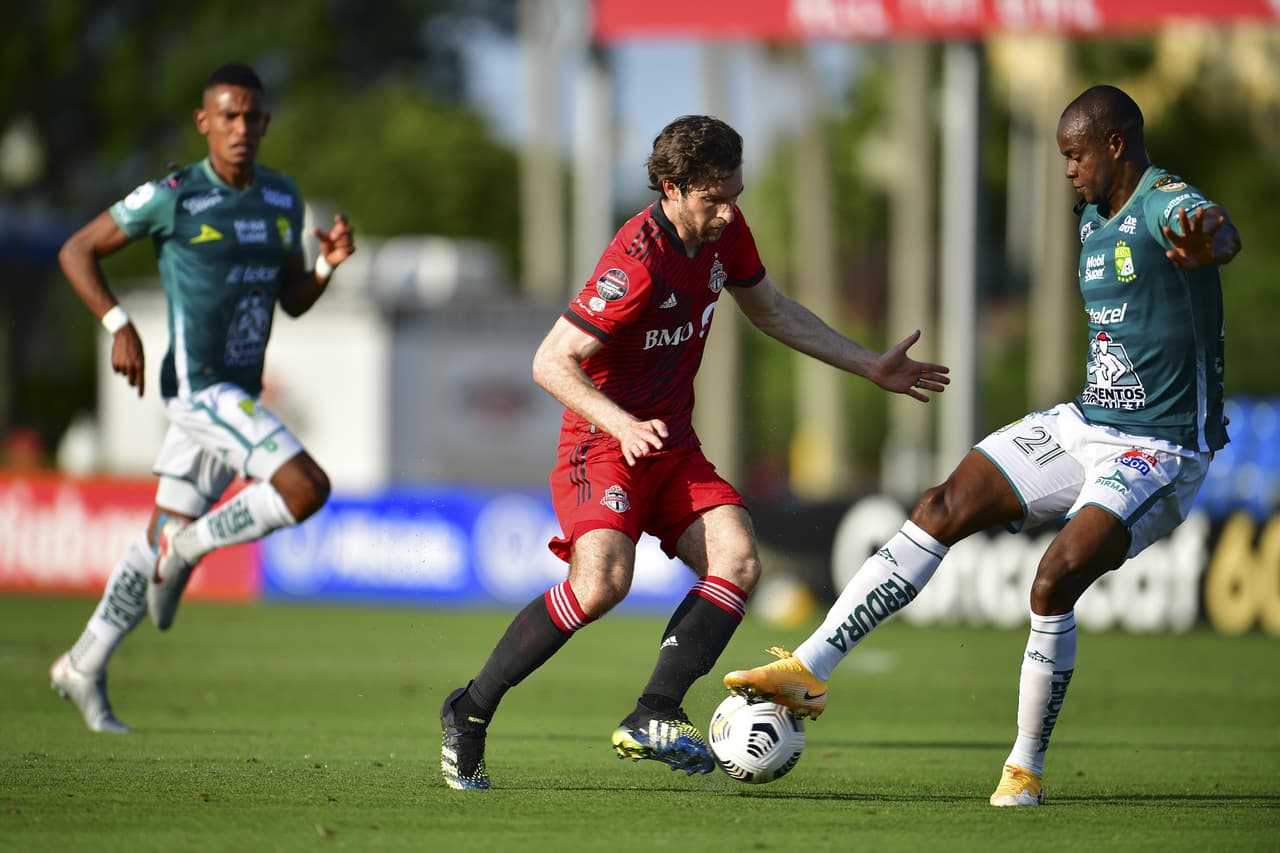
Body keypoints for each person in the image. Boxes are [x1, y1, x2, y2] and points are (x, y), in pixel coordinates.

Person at [724, 85, 1241, 807]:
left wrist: (1209, 242)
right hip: (1085, 423)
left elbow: (1213, 227)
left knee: (1054, 575)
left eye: (1074, 154)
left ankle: (1023, 766)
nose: (1067, 170)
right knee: (941, 503)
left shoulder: (1162, 201)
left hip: (1160, 448)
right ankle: (809, 668)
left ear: (1115, 145)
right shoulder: (1091, 214)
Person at [439, 114, 949, 790]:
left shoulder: (725, 233)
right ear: (671, 187)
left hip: (671, 443)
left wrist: (867, 365)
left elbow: (772, 311)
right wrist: (620, 422)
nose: (729, 209)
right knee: (601, 583)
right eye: (715, 196)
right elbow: (550, 362)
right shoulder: (637, 263)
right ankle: (469, 711)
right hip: (603, 442)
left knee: (737, 558)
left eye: (735, 191)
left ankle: (654, 710)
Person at [50, 63, 355, 733]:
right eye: (228, 116)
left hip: (235, 393)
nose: (241, 127)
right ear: (204, 122)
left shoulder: (282, 198)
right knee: (307, 488)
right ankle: (189, 550)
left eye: (252, 117)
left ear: (266, 123)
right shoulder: (175, 196)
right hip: (198, 389)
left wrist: (328, 264)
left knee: (154, 536)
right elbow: (78, 250)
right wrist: (117, 322)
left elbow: (293, 301)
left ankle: (82, 662)